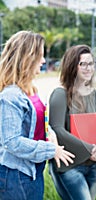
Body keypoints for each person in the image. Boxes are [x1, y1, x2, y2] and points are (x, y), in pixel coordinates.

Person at [0, 30, 74, 200]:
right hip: (16, 176)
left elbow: (39, 124)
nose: (43, 61)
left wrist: (52, 136)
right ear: (27, 58)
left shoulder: (30, 90)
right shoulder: (10, 96)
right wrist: (51, 150)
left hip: (33, 172)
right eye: (39, 56)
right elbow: (11, 142)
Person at [48, 45, 96, 200]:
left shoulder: (95, 95)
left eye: (91, 63)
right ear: (72, 66)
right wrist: (91, 148)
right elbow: (58, 130)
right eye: (83, 64)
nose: (89, 68)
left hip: (93, 165)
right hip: (70, 166)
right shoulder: (60, 94)